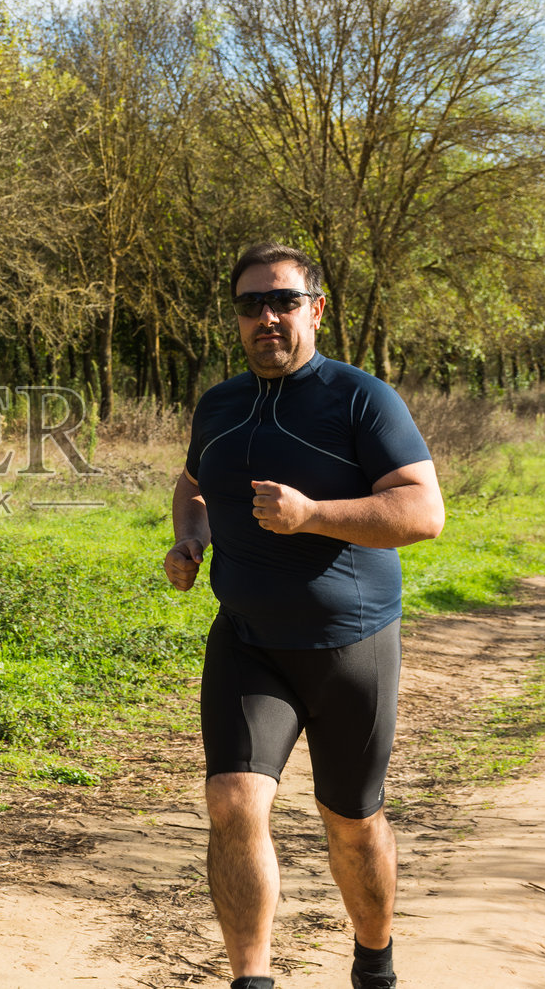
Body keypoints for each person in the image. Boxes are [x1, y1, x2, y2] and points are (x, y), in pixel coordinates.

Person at [164, 243, 444, 989]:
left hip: (351, 645)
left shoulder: (360, 399)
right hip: (249, 640)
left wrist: (315, 514)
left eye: (283, 301)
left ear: (315, 309)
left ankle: (374, 960)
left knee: (351, 824)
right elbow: (194, 481)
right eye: (252, 304)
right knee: (232, 802)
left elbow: (423, 510)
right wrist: (191, 535)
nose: (267, 317)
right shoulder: (218, 404)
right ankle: (252, 979)